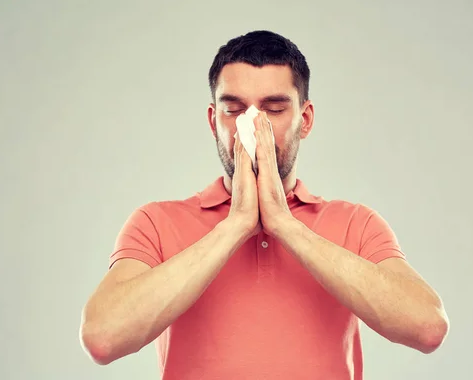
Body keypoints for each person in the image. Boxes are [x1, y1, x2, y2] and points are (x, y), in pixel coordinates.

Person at [79, 30, 450, 379]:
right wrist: (236, 224)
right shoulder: (156, 223)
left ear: (304, 120)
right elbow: (103, 338)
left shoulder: (356, 224)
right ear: (213, 121)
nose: (252, 125)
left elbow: (427, 327)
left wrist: (285, 224)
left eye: (273, 109)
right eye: (234, 109)